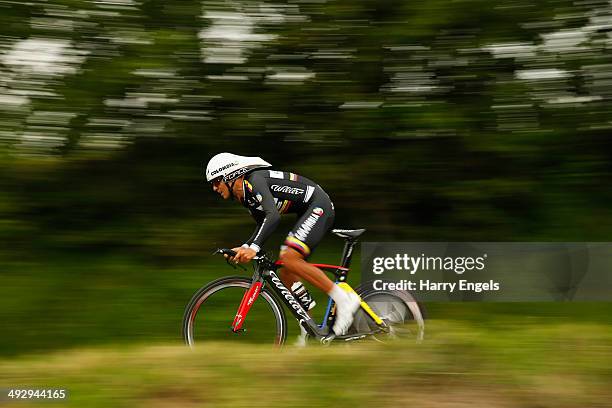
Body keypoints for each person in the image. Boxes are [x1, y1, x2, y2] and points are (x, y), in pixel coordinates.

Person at [205, 152, 360, 336]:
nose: (214, 188)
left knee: (289, 258)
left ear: (230, 176)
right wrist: (245, 247)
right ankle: (309, 332)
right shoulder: (245, 197)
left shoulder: (254, 181)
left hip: (319, 205)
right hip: (306, 210)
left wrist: (253, 248)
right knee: (287, 273)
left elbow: (273, 217)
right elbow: (262, 226)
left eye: (216, 181)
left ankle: (343, 299)